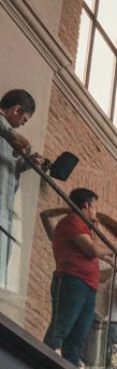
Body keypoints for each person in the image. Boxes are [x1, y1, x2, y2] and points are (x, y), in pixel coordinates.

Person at [40, 189, 113, 366]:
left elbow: (93, 250)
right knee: (61, 328)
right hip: (72, 282)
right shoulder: (72, 221)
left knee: (77, 336)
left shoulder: (83, 228)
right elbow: (93, 250)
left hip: (87, 287)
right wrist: (116, 250)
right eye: (94, 207)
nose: (95, 211)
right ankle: (42, 365)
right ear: (86, 206)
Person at [0, 88, 37, 286]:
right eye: (24, 120)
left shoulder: (9, 139)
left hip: (5, 212)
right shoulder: (6, 131)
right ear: (16, 110)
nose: (22, 125)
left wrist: (27, 163)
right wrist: (10, 134)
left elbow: (9, 171)